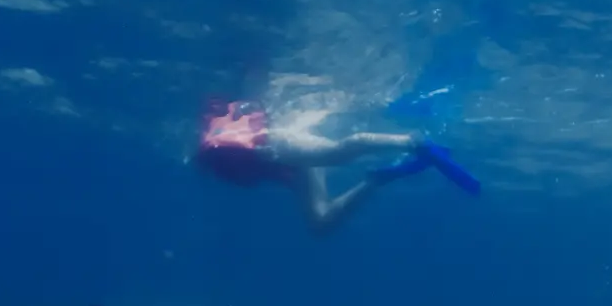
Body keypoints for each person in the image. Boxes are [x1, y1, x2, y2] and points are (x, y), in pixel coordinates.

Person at [194, 99, 479, 232]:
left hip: (277, 144)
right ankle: (378, 179)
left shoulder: (219, 145)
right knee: (321, 222)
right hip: (285, 161)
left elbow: (243, 152)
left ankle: (412, 141)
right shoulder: (215, 156)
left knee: (336, 153)